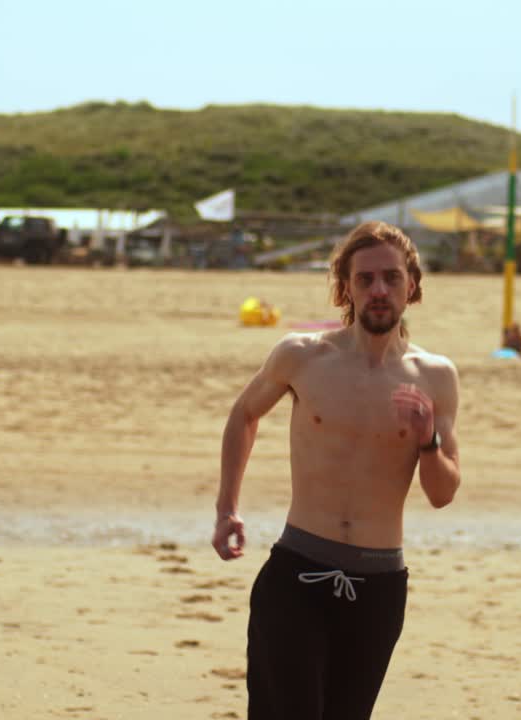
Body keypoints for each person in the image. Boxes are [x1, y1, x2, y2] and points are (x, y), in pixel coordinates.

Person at [212, 221, 461, 720]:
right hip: (297, 574)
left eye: (391, 278)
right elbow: (244, 414)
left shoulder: (434, 376)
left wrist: (428, 438)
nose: (378, 290)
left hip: (378, 588)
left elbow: (442, 492)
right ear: (344, 287)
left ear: (412, 284)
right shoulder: (302, 356)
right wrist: (227, 509)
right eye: (365, 279)